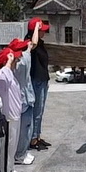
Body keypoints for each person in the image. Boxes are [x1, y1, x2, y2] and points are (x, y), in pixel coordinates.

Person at [0, 46, 24, 172]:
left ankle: (10, 168)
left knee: (13, 145)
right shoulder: (0, 74)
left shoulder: (9, 73)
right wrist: (8, 63)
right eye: (14, 59)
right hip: (7, 116)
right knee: (7, 146)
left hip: (15, 115)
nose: (16, 61)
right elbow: (3, 81)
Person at [11, 36, 38, 168]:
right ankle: (19, 155)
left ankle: (22, 152)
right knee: (24, 129)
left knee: (25, 128)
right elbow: (31, 46)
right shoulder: (22, 61)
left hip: (25, 97)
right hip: (23, 99)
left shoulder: (19, 60)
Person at [27, 18, 51, 151]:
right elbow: (33, 43)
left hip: (43, 79)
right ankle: (33, 139)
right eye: (42, 30)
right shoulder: (29, 42)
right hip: (36, 79)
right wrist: (36, 27)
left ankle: (37, 135)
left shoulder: (41, 42)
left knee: (40, 111)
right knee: (36, 110)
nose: (44, 33)